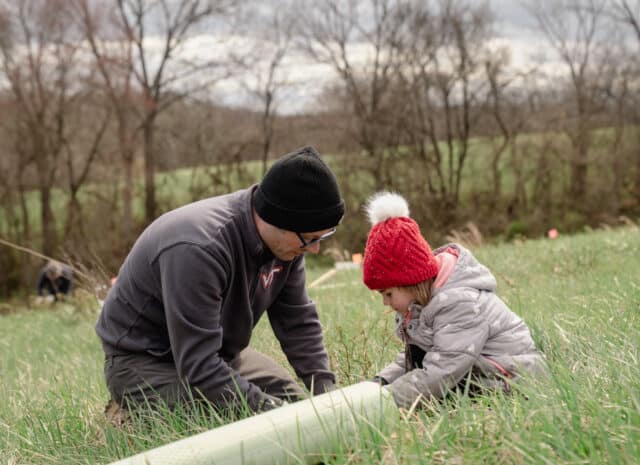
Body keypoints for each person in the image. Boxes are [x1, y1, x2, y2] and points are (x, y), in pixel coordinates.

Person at [96, 146, 344, 416]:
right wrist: (267, 410)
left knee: (298, 407)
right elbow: (198, 364)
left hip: (218, 355)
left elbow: (297, 321)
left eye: (323, 237)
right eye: (311, 238)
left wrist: (325, 391)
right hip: (143, 361)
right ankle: (126, 414)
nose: (315, 249)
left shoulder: (289, 245)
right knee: (230, 421)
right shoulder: (199, 248)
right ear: (280, 220)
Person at [362, 192, 546, 408]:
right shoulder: (422, 305)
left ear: (410, 281)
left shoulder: (459, 304)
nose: (386, 302)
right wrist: (382, 381)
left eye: (388, 294)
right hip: (475, 372)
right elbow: (419, 355)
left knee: (438, 383)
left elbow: (443, 369)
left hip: (514, 379)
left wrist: (385, 401)